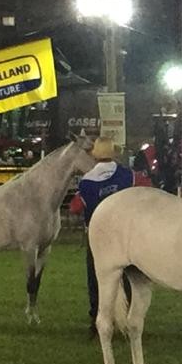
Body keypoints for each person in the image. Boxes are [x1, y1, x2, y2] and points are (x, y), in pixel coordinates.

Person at [70, 137, 134, 336]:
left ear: (95, 156)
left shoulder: (87, 181)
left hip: (98, 237)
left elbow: (75, 207)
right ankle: (129, 316)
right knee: (129, 277)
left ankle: (97, 319)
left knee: (97, 278)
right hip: (124, 235)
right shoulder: (127, 175)